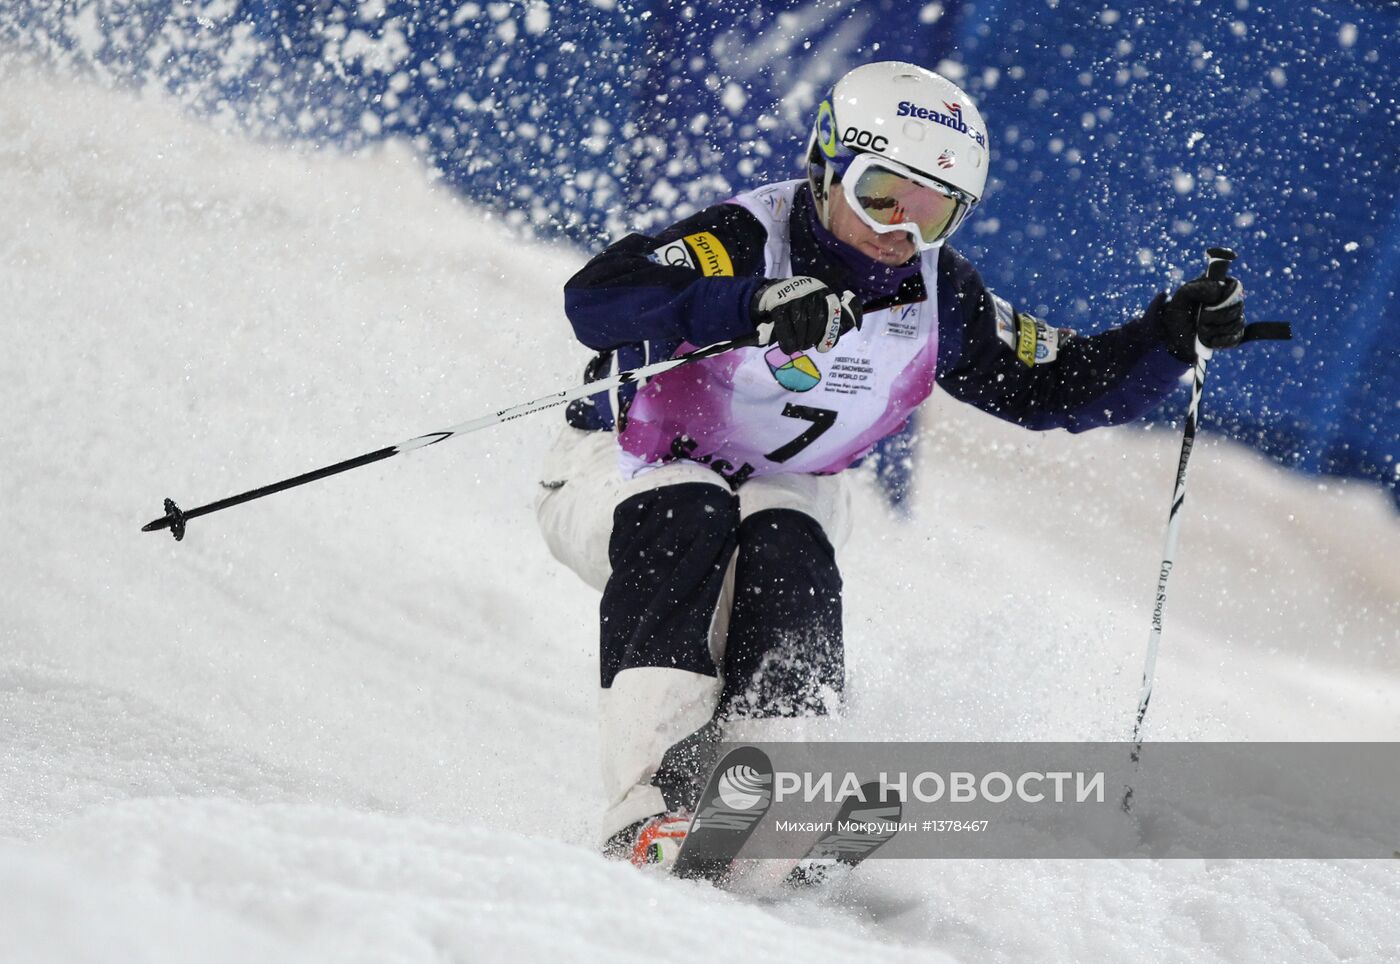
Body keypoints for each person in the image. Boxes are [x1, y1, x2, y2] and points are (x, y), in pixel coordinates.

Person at [535, 61, 1246, 868]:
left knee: (788, 546)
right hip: (621, 474)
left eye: (931, 213)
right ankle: (648, 808)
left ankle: (776, 806)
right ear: (825, 165)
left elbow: (1054, 386)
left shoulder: (940, 294)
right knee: (692, 507)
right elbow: (598, 296)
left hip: (778, 491)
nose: (898, 233)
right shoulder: (743, 238)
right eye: (879, 196)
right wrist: (748, 303)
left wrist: (1164, 338)